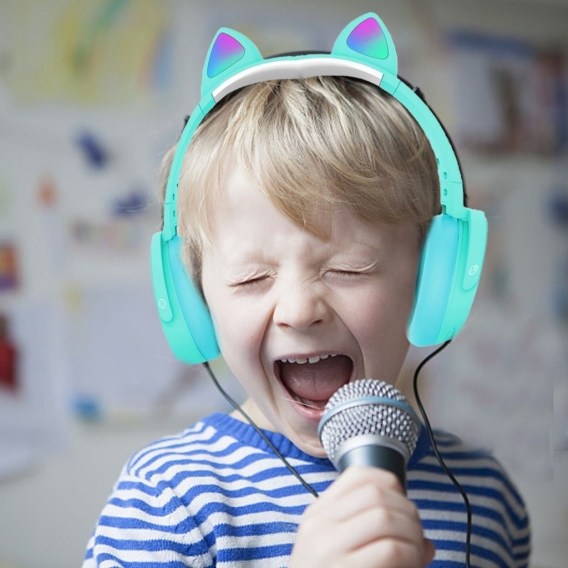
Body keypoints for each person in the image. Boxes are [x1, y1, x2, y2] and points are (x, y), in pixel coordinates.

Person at [83, 13, 530, 568]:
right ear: (193, 300)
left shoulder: (485, 500)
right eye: (251, 277)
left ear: (432, 281)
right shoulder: (170, 500)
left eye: (350, 268)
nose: (299, 311)